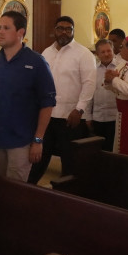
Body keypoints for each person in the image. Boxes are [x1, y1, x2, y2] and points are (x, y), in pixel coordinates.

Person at [0, 11, 56, 181]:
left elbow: (47, 103)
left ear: (20, 32)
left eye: (6, 28)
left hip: (22, 140)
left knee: (15, 189)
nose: (0, 32)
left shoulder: (36, 62)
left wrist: (38, 140)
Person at [29, 16, 94, 181]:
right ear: (54, 30)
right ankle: (30, 189)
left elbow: (89, 84)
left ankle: (67, 194)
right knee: (39, 157)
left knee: (70, 161)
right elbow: (40, 81)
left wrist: (79, 109)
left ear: (73, 31)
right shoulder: (47, 52)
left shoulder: (83, 54)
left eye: (68, 29)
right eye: (60, 28)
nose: (64, 32)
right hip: (48, 115)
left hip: (70, 117)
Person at [85, 39, 117, 151]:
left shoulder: (120, 68)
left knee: (114, 149)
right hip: (98, 117)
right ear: (97, 54)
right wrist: (88, 116)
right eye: (103, 52)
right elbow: (89, 94)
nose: (106, 54)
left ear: (113, 51)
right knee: (99, 149)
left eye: (109, 51)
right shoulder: (93, 70)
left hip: (116, 117)